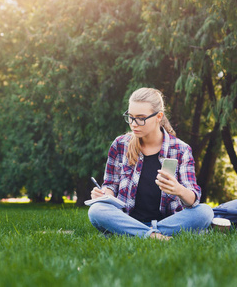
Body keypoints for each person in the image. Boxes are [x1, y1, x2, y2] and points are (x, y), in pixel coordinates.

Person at [88, 88, 213, 240]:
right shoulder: (120, 145)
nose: (133, 124)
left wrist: (179, 190)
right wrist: (103, 195)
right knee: (96, 210)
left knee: (205, 212)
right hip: (128, 218)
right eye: (130, 117)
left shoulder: (181, 150)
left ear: (158, 116)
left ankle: (136, 233)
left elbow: (193, 200)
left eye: (140, 118)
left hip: (167, 221)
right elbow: (111, 184)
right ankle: (154, 236)